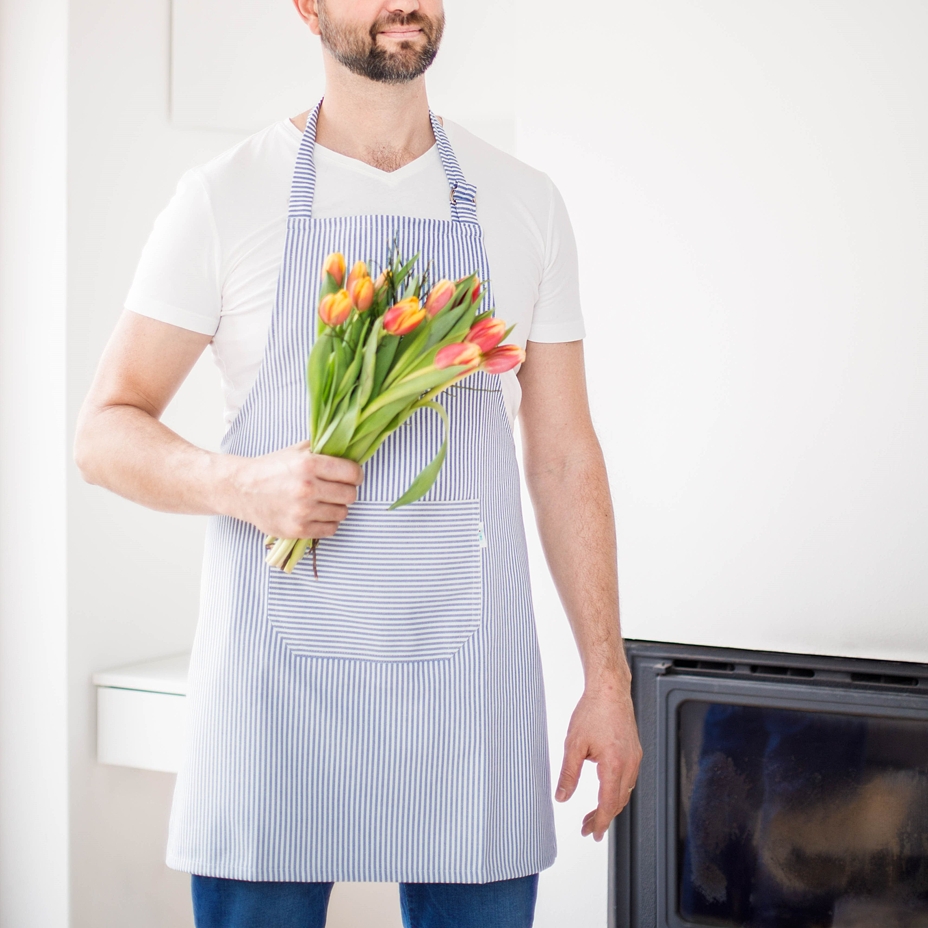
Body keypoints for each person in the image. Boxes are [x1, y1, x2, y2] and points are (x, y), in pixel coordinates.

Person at [74, 0, 642, 925]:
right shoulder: (226, 197)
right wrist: (240, 485)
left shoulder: (523, 203)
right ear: (306, 6)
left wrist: (606, 680)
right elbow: (103, 433)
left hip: (469, 698)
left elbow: (565, 456)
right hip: (275, 702)